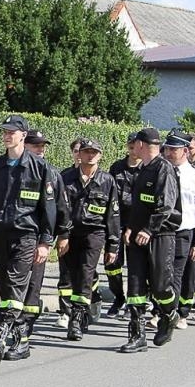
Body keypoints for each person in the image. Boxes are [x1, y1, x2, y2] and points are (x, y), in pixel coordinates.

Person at [0, 115, 55, 364]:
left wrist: (45, 241)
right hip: (0, 235)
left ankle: (2, 333)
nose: (7, 135)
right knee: (5, 286)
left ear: (23, 135)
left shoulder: (40, 168)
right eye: (5, 131)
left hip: (26, 235)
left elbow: (49, 208)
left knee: (15, 282)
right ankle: (21, 340)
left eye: (12, 132)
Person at [116, 127, 180, 352]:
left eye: (135, 144)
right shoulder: (142, 169)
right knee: (135, 285)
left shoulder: (164, 169)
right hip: (137, 237)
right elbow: (137, 204)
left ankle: (170, 314)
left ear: (142, 145)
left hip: (160, 235)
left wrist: (148, 230)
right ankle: (137, 334)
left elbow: (166, 205)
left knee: (161, 285)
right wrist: (131, 228)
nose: (133, 148)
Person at [57, 138, 119, 340]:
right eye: (86, 152)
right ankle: (81, 311)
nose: (90, 155)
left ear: (100, 155)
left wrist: (112, 245)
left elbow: (113, 215)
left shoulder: (107, 181)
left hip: (95, 233)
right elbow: (59, 210)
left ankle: (76, 317)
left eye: (94, 152)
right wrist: (62, 235)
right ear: (79, 154)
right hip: (70, 233)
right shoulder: (65, 178)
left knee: (86, 271)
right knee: (72, 274)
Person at [21, 129, 68, 349]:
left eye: (43, 146)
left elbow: (61, 209)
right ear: (24, 145)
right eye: (36, 145)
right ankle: (11, 325)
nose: (41, 149)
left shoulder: (51, 173)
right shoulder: (13, 171)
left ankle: (25, 332)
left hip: (38, 239)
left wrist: (59, 237)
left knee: (33, 286)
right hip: (12, 239)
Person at [162, 130, 195, 323]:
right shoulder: (158, 171)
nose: (168, 153)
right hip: (160, 232)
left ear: (185, 150)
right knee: (159, 274)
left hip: (182, 233)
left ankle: (169, 315)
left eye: (173, 149)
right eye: (166, 148)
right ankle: (162, 310)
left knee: (175, 275)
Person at [104, 134, 144, 316]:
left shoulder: (147, 169)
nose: (133, 150)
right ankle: (118, 297)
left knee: (137, 267)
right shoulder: (117, 167)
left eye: (136, 146)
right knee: (113, 265)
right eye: (130, 146)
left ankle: (134, 301)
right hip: (116, 222)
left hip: (137, 223)